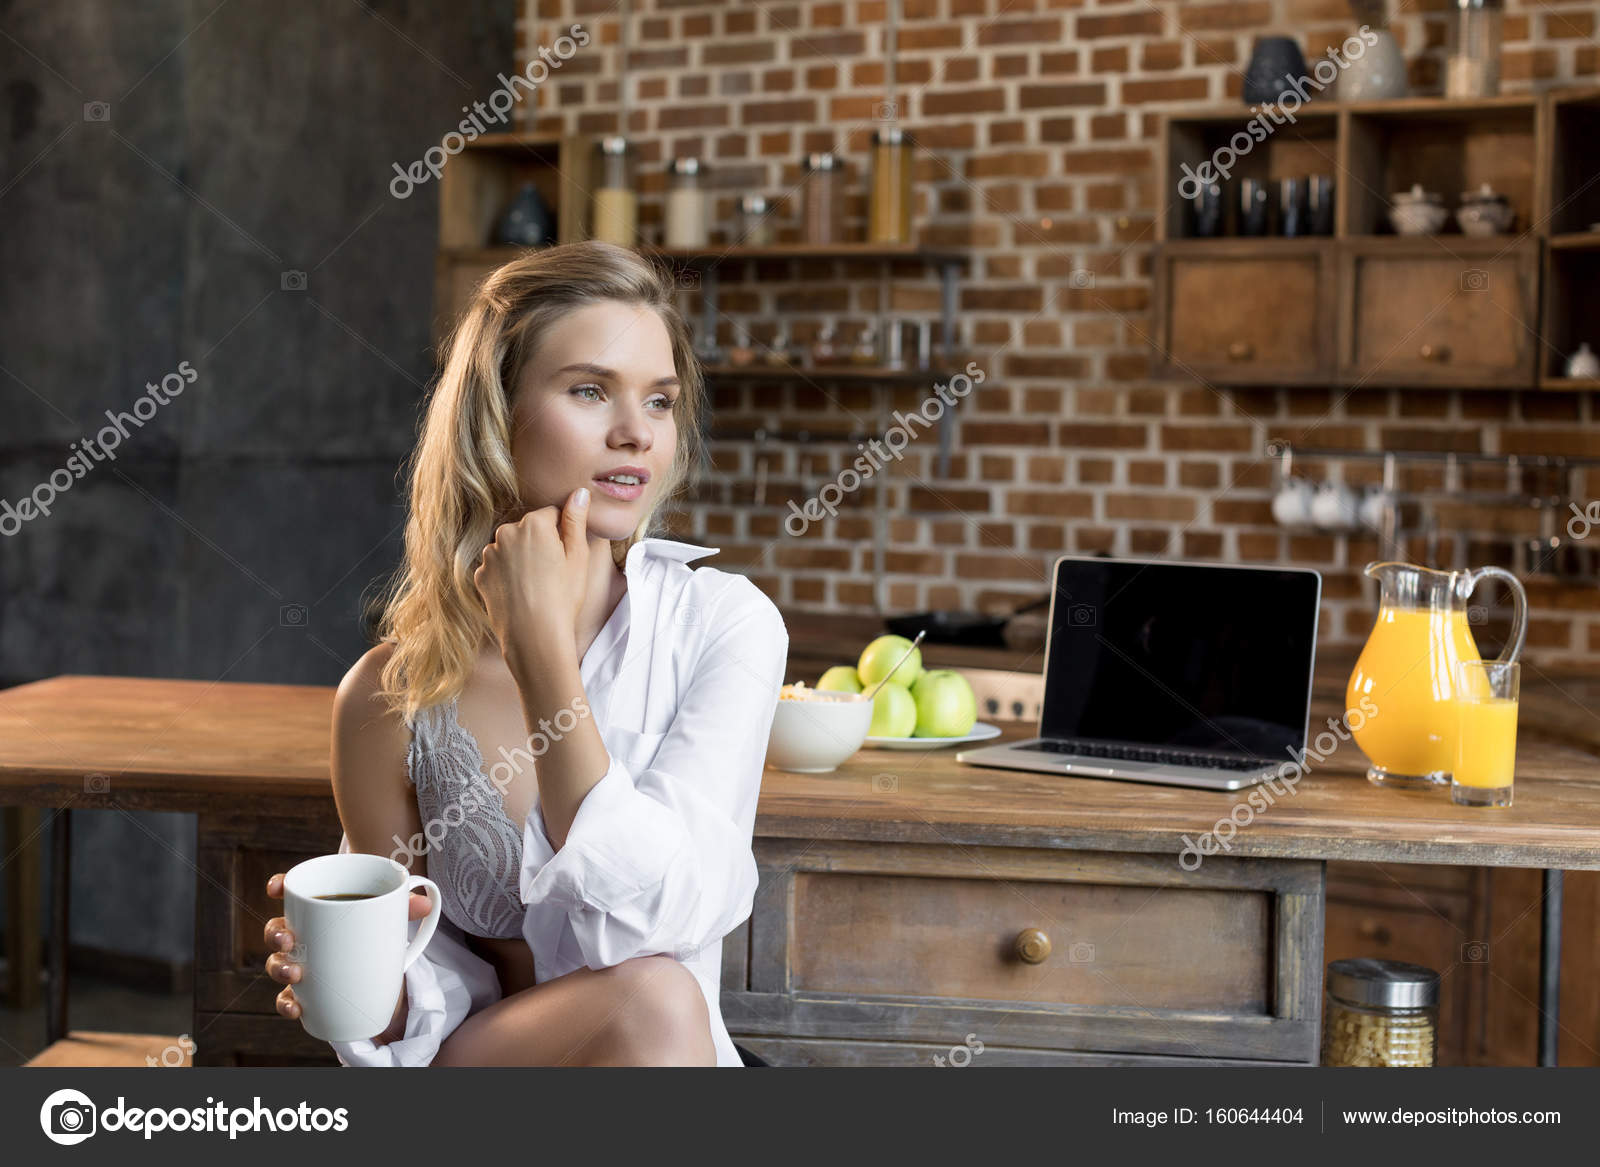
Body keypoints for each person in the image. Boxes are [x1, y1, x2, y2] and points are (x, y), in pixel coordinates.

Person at [260, 241, 787, 1066]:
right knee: (654, 1003)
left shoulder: (727, 625)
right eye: (589, 390)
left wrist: (543, 656)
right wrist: (350, 976)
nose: (634, 433)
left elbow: (662, 922)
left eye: (659, 401)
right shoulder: (388, 695)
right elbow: (415, 998)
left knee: (656, 996)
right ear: (495, 414)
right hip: (485, 1073)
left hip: (668, 1058)